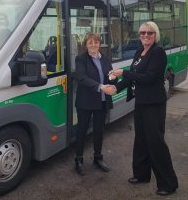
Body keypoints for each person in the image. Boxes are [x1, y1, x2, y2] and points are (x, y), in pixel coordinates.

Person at [110, 21, 178, 196]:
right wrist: (116, 87)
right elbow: (134, 76)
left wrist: (123, 73)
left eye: (149, 33)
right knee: (141, 139)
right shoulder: (139, 52)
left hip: (154, 103)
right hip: (140, 101)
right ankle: (141, 174)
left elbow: (148, 77)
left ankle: (168, 183)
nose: (145, 36)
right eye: (142, 33)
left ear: (155, 35)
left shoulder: (158, 52)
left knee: (155, 141)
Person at [74, 33, 116, 176]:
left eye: (96, 42)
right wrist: (101, 86)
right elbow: (81, 78)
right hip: (85, 102)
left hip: (102, 101)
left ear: (99, 43)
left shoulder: (105, 59)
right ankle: (78, 160)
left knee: (99, 131)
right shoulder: (80, 59)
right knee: (81, 131)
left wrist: (112, 79)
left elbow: (109, 78)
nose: (93, 45)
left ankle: (98, 158)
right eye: (90, 42)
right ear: (86, 44)